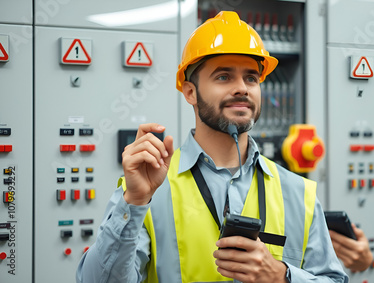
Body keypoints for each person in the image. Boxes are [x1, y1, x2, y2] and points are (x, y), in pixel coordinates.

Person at [76, 11, 348, 283]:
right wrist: (134, 202)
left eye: (251, 78)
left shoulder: (300, 194)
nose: (242, 88)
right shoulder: (148, 189)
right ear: (190, 92)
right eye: (224, 77)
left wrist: (282, 276)